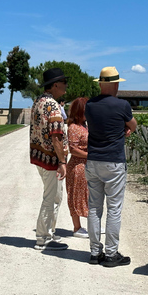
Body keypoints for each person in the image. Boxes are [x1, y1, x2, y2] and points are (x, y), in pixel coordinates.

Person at [85, 66, 137, 267]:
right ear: (115, 84)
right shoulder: (122, 105)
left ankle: (94, 252)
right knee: (114, 209)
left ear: (100, 84)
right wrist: (123, 128)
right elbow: (133, 125)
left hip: (93, 160)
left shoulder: (90, 105)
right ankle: (111, 253)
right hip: (114, 160)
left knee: (94, 208)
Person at [29, 67, 69, 251]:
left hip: (39, 155)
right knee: (51, 198)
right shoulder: (52, 105)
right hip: (51, 159)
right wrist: (62, 162)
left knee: (55, 196)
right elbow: (56, 136)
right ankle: (42, 238)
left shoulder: (38, 101)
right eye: (64, 83)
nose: (66, 87)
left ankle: (49, 233)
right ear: (55, 85)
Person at [65, 97, 90, 238]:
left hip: (85, 165)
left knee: (87, 195)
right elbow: (73, 149)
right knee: (76, 196)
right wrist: (89, 155)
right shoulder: (74, 128)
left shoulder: (84, 125)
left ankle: (91, 224)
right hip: (77, 166)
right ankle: (77, 227)